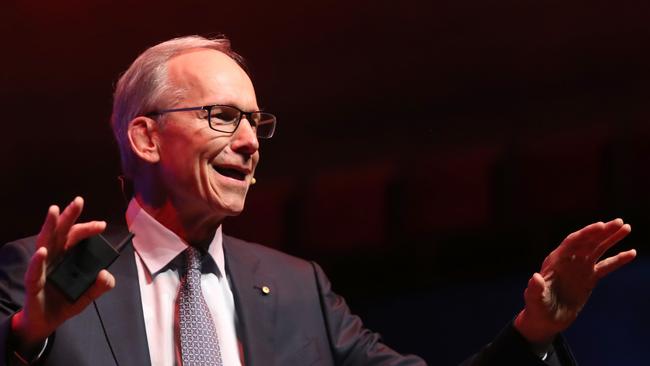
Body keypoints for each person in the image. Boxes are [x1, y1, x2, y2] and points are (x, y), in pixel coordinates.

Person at [0, 35, 637, 366]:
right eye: (223, 117)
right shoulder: (49, 275)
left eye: (256, 122)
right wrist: (30, 337)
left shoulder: (298, 289)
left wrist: (534, 332)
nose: (250, 142)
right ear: (144, 136)